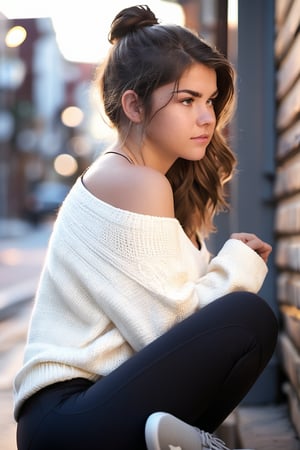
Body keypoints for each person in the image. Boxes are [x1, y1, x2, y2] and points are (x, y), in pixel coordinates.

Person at [14, 5, 278, 450]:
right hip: (68, 417)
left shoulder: (149, 182)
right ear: (134, 105)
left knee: (245, 320)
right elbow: (171, 331)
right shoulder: (134, 182)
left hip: (83, 411)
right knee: (246, 319)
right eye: (186, 100)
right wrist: (240, 266)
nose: (207, 118)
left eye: (210, 100)